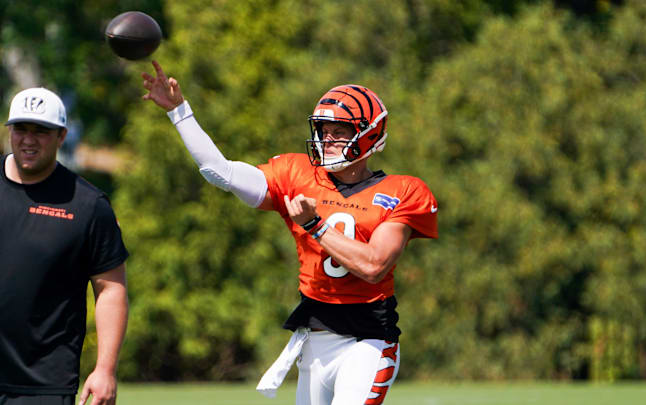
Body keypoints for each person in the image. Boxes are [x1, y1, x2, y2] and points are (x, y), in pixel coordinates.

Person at [141, 60, 438, 405]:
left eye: (339, 131)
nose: (327, 139)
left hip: (367, 341)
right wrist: (180, 112)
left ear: (369, 134)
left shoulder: (403, 190)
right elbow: (220, 172)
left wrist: (316, 225)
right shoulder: (297, 173)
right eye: (323, 129)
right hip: (314, 342)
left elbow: (374, 267)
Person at [0, 87, 129, 405]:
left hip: (43, 385)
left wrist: (105, 369)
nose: (28, 140)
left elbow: (111, 289)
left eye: (40, 132)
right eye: (21, 129)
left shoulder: (87, 205)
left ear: (61, 136)